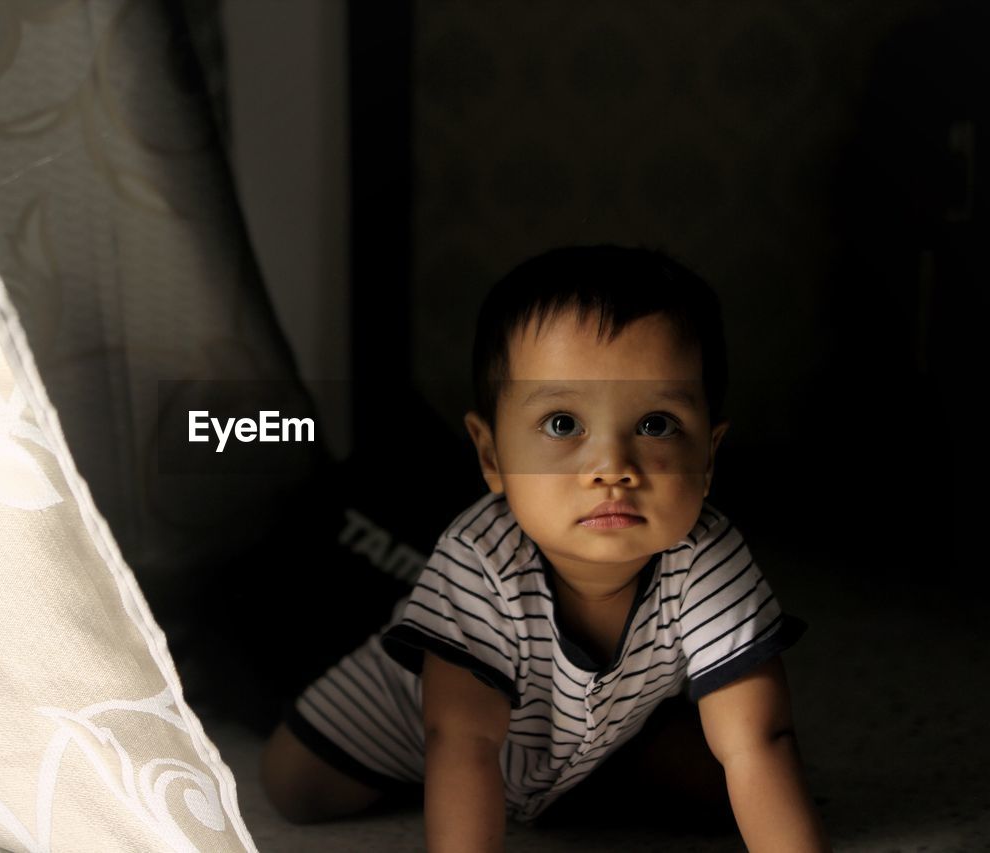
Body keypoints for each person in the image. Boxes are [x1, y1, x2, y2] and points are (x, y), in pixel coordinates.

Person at [259, 246, 830, 852]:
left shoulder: (707, 556)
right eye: (563, 424)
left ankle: (588, 775)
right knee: (294, 787)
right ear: (491, 457)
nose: (612, 468)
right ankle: (517, 784)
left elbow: (759, 739)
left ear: (709, 456)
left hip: (603, 733)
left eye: (656, 424)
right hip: (419, 722)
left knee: (734, 778)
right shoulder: (480, 559)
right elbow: (463, 744)